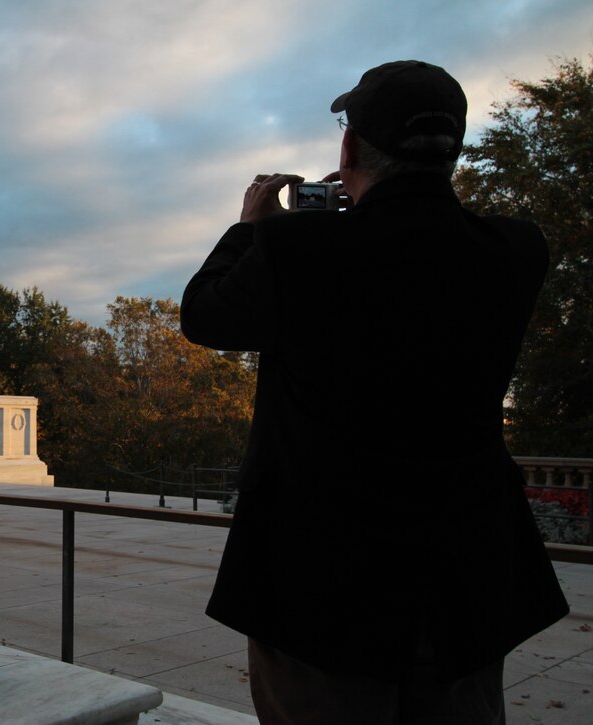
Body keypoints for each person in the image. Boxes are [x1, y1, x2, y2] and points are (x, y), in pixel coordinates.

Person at [180, 60, 569, 724]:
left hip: (319, 594)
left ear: (350, 147)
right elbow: (419, 267)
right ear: (455, 150)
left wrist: (251, 225)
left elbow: (204, 314)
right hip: (464, 591)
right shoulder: (514, 253)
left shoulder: (296, 250)